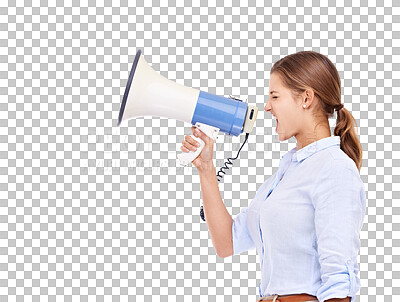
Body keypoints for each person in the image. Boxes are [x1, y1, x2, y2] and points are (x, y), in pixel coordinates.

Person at [180, 51, 367, 302]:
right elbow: (227, 242)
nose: (267, 106)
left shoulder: (334, 169)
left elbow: (339, 283)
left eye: (275, 96)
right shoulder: (286, 173)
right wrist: (206, 168)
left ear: (306, 98)